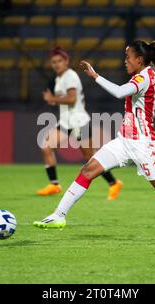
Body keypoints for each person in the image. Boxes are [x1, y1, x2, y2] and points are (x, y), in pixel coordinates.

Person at [34, 40, 155, 245]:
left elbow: (119, 92)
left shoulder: (143, 77)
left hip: (143, 144)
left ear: (139, 59)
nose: (125, 61)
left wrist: (96, 76)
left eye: (128, 57)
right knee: (88, 170)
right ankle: (59, 215)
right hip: (124, 141)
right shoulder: (154, 73)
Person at [37, 46, 123, 200]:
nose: (56, 64)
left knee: (91, 159)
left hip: (78, 122)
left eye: (59, 61)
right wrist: (54, 100)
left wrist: (53, 99)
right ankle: (54, 185)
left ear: (66, 62)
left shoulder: (70, 76)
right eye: (53, 62)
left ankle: (114, 183)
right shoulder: (58, 79)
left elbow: (71, 99)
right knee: (46, 147)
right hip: (66, 122)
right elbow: (63, 99)